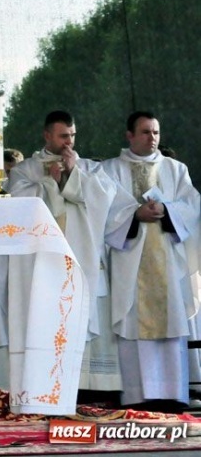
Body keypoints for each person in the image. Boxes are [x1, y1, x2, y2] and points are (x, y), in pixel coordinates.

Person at [7, 111, 135, 395]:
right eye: (63, 136)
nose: (69, 142)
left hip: (83, 258)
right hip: (41, 264)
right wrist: (50, 184)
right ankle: (45, 388)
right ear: (47, 135)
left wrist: (74, 174)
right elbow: (17, 204)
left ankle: (89, 389)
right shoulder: (26, 170)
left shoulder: (88, 167)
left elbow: (106, 199)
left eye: (72, 135)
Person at [101, 111, 201, 411]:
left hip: (167, 262)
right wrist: (134, 215)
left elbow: (192, 205)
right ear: (129, 135)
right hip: (131, 260)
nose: (152, 138)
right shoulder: (110, 171)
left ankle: (172, 393)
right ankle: (137, 394)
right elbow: (103, 211)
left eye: (155, 132)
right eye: (145, 132)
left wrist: (168, 211)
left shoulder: (175, 168)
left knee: (170, 319)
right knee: (133, 324)